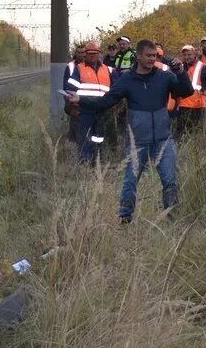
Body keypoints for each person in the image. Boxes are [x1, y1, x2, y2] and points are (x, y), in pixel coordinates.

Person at [67, 39, 194, 224]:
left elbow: (187, 91)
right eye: (149, 56)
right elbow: (105, 102)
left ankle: (171, 217)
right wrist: (80, 99)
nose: (152, 59)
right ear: (139, 56)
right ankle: (124, 219)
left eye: (154, 56)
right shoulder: (127, 80)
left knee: (170, 182)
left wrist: (181, 73)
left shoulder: (164, 77)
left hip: (163, 140)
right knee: (130, 182)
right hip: (138, 142)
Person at [65, 41, 113, 164]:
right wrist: (74, 107)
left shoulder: (106, 70)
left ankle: (97, 161)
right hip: (85, 110)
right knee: (85, 137)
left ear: (99, 53)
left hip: (101, 110)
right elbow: (70, 90)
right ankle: (85, 163)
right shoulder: (79, 69)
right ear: (85, 54)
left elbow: (117, 87)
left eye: (95, 53)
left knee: (99, 138)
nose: (92, 55)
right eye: (90, 53)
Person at [172, 44, 206, 142]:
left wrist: (204, 87)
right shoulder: (181, 67)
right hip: (183, 105)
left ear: (194, 54)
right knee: (181, 133)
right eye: (185, 55)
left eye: (189, 54)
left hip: (198, 106)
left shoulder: (202, 67)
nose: (187, 57)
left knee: (196, 133)